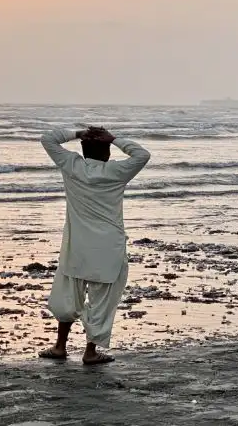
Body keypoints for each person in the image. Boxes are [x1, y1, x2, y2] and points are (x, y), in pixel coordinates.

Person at [38, 126, 150, 365]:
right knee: (103, 301)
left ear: (83, 149)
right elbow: (142, 155)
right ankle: (90, 351)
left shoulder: (72, 165)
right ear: (107, 152)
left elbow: (48, 138)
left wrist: (78, 133)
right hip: (109, 245)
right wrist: (115, 138)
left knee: (69, 295)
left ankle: (60, 347)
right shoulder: (117, 171)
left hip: (77, 245)